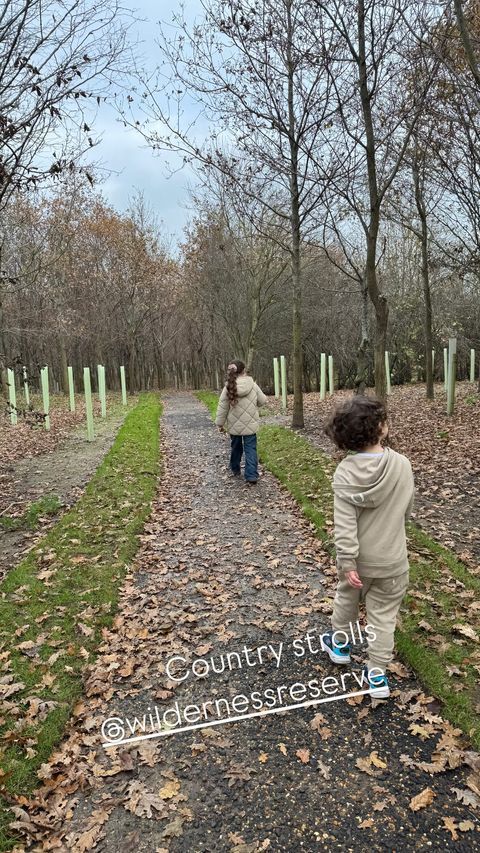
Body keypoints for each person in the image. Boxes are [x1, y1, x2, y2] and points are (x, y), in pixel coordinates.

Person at [321, 395, 414, 698]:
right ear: (382, 428)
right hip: (392, 560)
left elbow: (345, 525)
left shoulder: (346, 473)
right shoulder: (401, 465)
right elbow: (406, 510)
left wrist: (347, 563)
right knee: (383, 617)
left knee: (347, 601)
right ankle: (377, 675)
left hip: (358, 563)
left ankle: (341, 646)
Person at [215, 360, 267, 485]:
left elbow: (223, 406)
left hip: (234, 425)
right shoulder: (252, 384)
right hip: (250, 424)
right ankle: (251, 475)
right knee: (251, 448)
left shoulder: (229, 387)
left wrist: (220, 424)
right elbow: (262, 401)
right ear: (244, 370)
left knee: (236, 447)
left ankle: (235, 468)